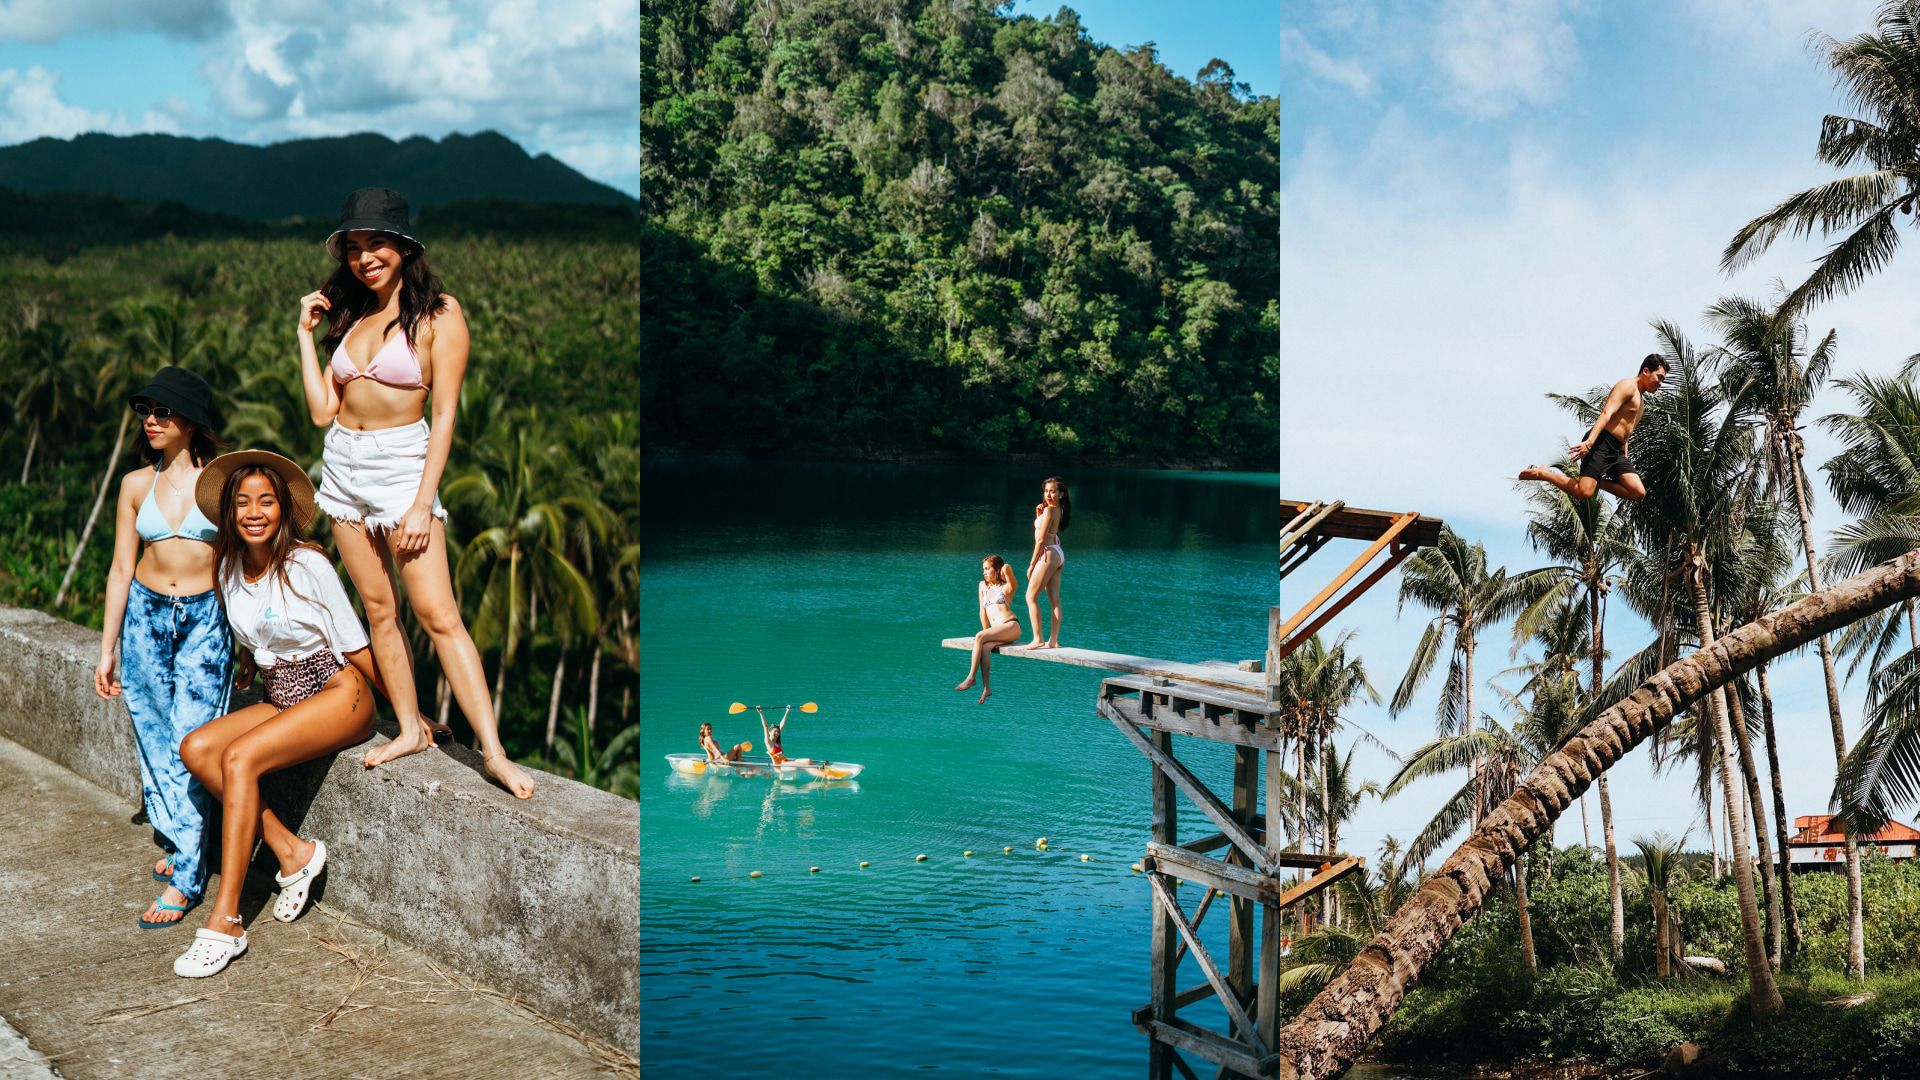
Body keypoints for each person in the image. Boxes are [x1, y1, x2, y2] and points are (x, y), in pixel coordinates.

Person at [295, 187, 533, 798]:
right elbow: (324, 411)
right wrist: (304, 333)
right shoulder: (350, 317)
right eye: (353, 247)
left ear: (403, 247)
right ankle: (407, 728)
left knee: (439, 616)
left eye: (376, 243)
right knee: (380, 612)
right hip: (342, 470)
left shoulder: (439, 314)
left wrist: (424, 501)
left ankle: (495, 754)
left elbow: (447, 413)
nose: (364, 256)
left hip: (404, 472)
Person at [174, 452, 384, 978]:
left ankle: (227, 921)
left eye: (266, 501)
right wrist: (251, 660)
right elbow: (262, 628)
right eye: (242, 502)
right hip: (284, 692)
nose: (253, 511)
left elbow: (358, 647)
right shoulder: (227, 568)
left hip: (340, 690)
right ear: (228, 512)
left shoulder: (308, 564)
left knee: (240, 758)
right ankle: (293, 852)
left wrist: (411, 716)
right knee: (198, 750)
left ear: (283, 510)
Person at [93, 368, 231, 929]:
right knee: (153, 737)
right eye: (146, 410)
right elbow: (122, 567)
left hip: (206, 620)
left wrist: (246, 641)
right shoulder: (133, 485)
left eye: (163, 411)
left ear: (190, 421)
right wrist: (107, 649)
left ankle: (188, 879)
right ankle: (184, 843)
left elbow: (237, 565)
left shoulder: (222, 483)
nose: (151, 419)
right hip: (145, 617)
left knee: (193, 742)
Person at [1520, 354, 1668, 502]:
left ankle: (1595, 481)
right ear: (1646, 371)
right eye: (1659, 377)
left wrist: (1624, 457)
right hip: (1600, 443)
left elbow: (1626, 430)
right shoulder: (1628, 386)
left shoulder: (1641, 400)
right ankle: (1543, 473)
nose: (1660, 383)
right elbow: (1606, 412)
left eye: (1663, 380)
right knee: (1583, 492)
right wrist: (1589, 442)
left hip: (1616, 451)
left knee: (1637, 492)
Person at [956, 555, 1022, 704]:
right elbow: (982, 611)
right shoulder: (982, 586)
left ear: (997, 570)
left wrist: (1002, 569)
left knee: (980, 637)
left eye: (987, 569)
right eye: (983, 569)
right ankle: (986, 688)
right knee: (984, 647)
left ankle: (971, 678)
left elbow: (1008, 568)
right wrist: (985, 633)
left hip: (1011, 626)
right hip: (997, 630)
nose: (984, 572)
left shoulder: (1007, 587)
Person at [1019, 477, 1069, 650]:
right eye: (1046, 491)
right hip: (1057, 553)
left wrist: (1032, 563)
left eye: (1053, 491)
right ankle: (1053, 641)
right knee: (1055, 600)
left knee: (1030, 597)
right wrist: (1038, 516)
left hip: (1047, 553)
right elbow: (1047, 530)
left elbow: (1040, 539)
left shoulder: (1050, 510)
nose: (1048, 494)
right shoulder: (1058, 509)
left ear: (1061, 494)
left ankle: (1038, 639)